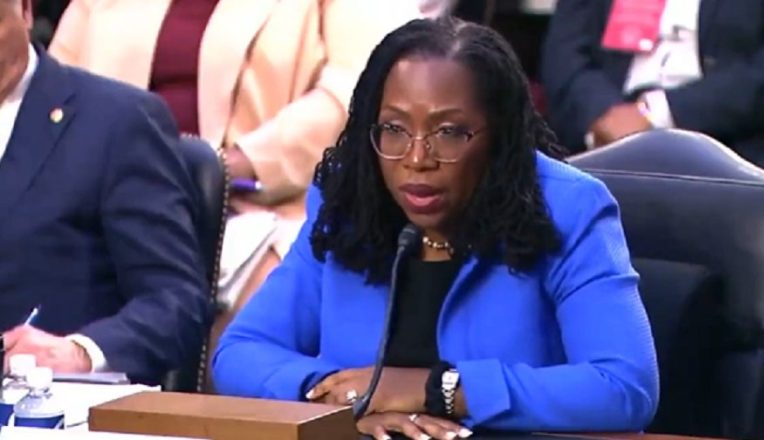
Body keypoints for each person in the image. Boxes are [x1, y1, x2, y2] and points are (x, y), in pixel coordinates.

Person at [213, 17, 659, 439]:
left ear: (499, 134)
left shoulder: (567, 207)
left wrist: (441, 390)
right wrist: (351, 399)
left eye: (448, 132)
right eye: (394, 128)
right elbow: (240, 352)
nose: (416, 158)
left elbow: (623, 386)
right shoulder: (350, 201)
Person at [47, 0, 422, 324]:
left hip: (262, 208)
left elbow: (361, 88)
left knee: (261, 304)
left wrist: (228, 166)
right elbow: (56, 92)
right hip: (107, 203)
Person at [0, 0, 208, 385]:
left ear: (25, 11)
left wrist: (80, 352)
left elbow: (176, 303)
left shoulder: (116, 122)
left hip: (45, 403)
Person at [541, 0, 764, 165]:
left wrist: (658, 113)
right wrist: (603, 114)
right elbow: (565, 51)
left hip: (728, 136)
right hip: (605, 129)